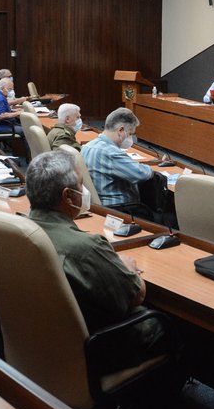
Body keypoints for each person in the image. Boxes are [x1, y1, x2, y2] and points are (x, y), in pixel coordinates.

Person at [26, 150, 165, 362]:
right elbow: (136, 295)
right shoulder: (85, 247)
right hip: (92, 348)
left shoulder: (19, 229)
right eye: (81, 185)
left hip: (37, 339)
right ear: (67, 196)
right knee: (166, 325)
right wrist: (125, 267)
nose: (84, 190)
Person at [81, 107, 153, 215]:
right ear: (121, 130)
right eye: (130, 134)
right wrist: (149, 168)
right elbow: (142, 174)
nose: (131, 138)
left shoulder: (87, 146)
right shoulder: (110, 152)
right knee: (168, 218)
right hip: (119, 209)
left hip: (97, 205)